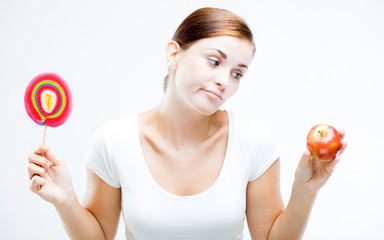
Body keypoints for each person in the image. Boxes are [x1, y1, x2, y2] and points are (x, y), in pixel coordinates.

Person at [28, 7, 347, 240]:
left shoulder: (255, 141)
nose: (225, 81)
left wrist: (305, 192)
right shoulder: (114, 141)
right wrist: (66, 200)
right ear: (173, 55)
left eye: (238, 73)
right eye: (214, 61)